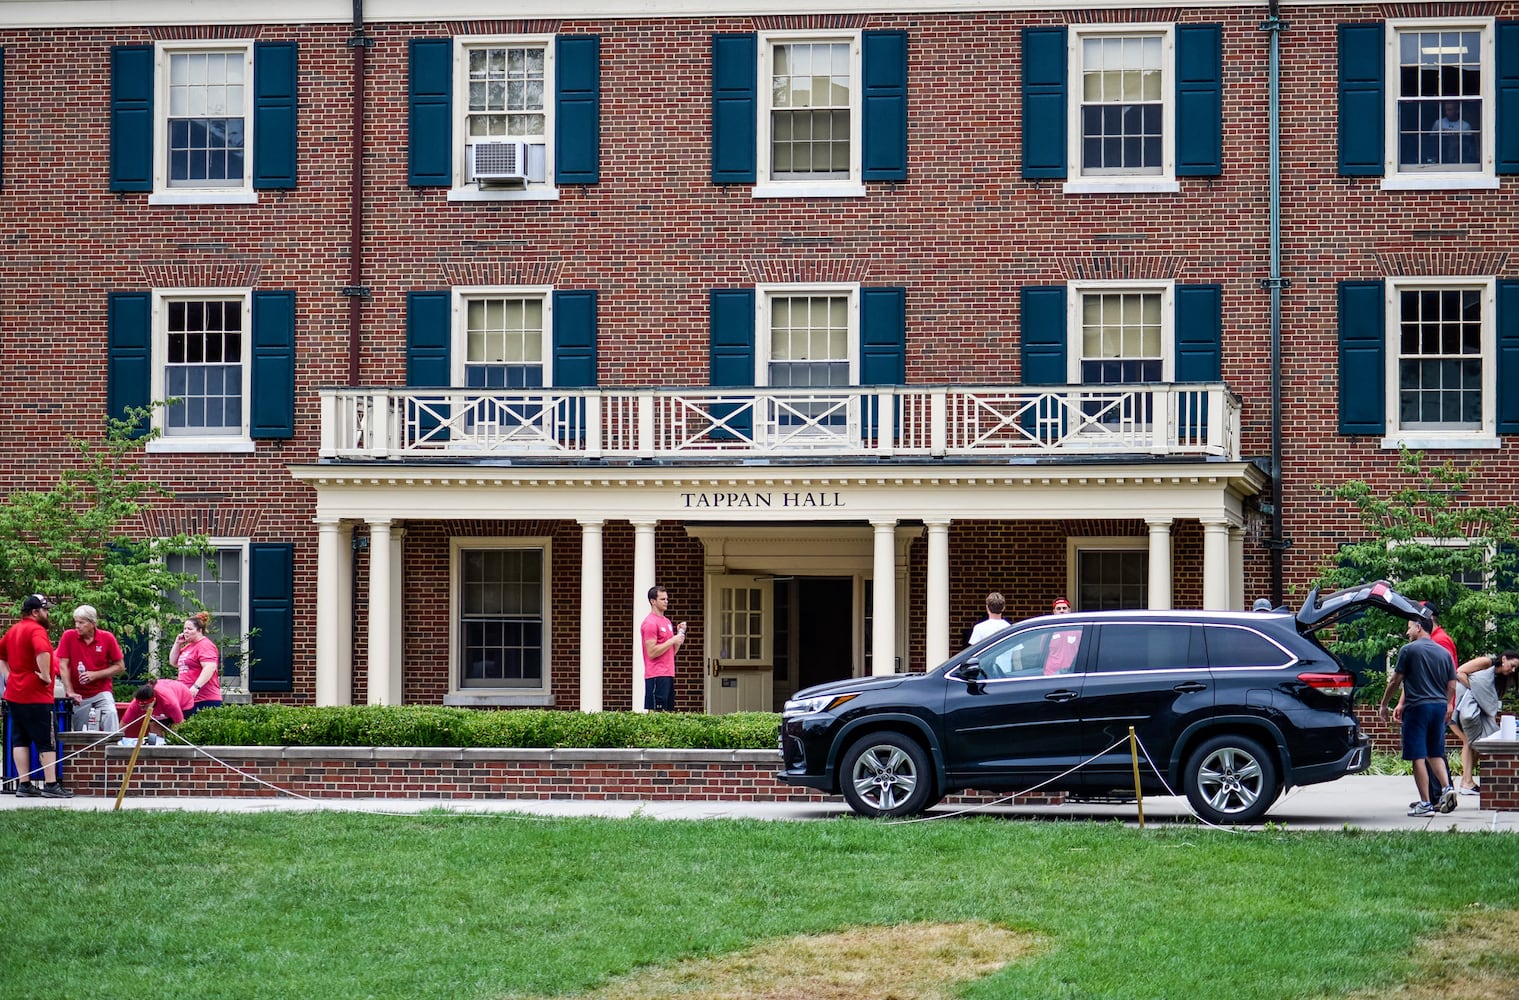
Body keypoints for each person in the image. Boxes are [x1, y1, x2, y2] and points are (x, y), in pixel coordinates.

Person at [1377, 612, 1458, 817]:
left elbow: (1395, 681)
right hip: (1439, 707)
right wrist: (1447, 703)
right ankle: (1447, 788)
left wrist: (1385, 704)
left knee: (1418, 756)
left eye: (1409, 627)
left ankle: (1425, 804)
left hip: (1418, 707)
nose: (1407, 632)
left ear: (1419, 627)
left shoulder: (1409, 650)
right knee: (1435, 752)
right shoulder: (1443, 653)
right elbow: (1451, 684)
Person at [0, 595, 74, 798]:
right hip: (37, 696)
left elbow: (1, 654)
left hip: (14, 694)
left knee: (20, 739)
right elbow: (43, 651)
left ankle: (24, 784)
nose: (48, 614)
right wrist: (46, 675)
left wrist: (9, 676)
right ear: (35, 612)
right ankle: (51, 784)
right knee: (46, 740)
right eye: (45, 610)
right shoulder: (36, 630)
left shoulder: (13, 630)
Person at [1451, 650, 1519, 794]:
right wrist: (1475, 690)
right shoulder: (1486, 662)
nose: (1512, 670)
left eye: (1515, 669)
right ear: (1504, 659)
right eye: (1512, 665)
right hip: (1461, 705)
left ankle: (1466, 781)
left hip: (1474, 710)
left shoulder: (1499, 678)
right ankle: (1467, 782)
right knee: (1470, 742)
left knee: (1475, 744)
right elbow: (1459, 672)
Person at [57, 605, 125, 733]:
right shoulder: (68, 636)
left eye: (81, 622)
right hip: (78, 694)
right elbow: (63, 665)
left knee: (111, 713)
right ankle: (82, 752)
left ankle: (113, 748)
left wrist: (96, 675)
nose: (77, 626)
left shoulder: (107, 638)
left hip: (101, 690)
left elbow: (120, 666)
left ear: (93, 623)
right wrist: (70, 692)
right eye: (76, 622)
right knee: (79, 730)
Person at [640, 586, 685, 712]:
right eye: (662, 599)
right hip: (656, 675)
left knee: (668, 713)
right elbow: (651, 652)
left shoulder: (667, 622)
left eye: (667, 599)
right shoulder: (649, 623)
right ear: (653, 601)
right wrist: (672, 640)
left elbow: (671, 652)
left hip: (668, 674)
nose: (666, 601)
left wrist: (679, 636)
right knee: (657, 713)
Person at [169, 612, 221, 716]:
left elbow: (210, 667)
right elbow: (173, 662)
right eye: (184, 629)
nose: (185, 632)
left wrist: (196, 687)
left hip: (204, 699)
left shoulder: (205, 645)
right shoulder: (188, 647)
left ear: (199, 630)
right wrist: (177, 643)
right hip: (187, 699)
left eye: (189, 629)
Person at [118, 679, 196, 743]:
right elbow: (124, 723)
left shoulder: (169, 703)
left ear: (153, 700)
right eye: (140, 706)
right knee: (154, 731)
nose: (143, 709)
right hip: (162, 708)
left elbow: (180, 724)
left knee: (174, 732)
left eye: (145, 706)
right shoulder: (135, 704)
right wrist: (116, 739)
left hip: (183, 702)